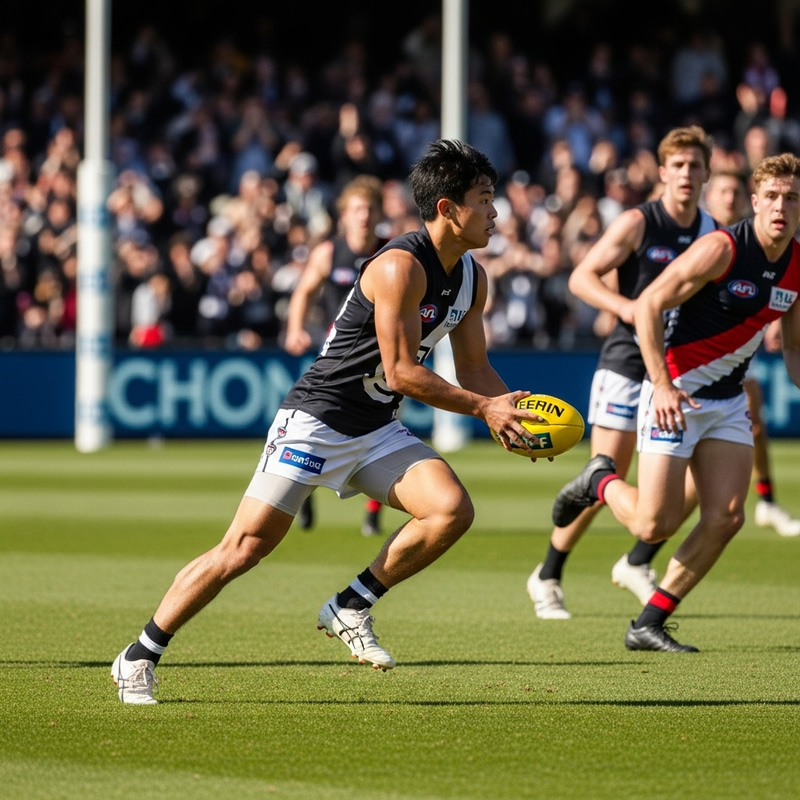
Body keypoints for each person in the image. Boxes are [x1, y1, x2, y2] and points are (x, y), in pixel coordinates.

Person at [111, 138, 547, 704]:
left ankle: (351, 604)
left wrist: (508, 409)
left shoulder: (472, 278)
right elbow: (402, 373)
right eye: (485, 199)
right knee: (244, 548)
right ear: (447, 208)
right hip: (316, 419)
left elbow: (475, 367)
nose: (495, 212)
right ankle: (139, 655)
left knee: (450, 510)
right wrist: (482, 408)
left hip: (375, 427)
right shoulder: (397, 267)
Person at [551, 152, 800, 651]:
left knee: (728, 516)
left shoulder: (797, 264)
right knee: (652, 522)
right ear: (755, 202)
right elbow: (647, 304)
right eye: (771, 196)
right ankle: (599, 479)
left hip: (728, 401)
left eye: (791, 198)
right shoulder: (722, 248)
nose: (781, 206)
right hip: (676, 394)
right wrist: (662, 384)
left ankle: (648, 622)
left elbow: (792, 346)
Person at [527, 126, 717, 619]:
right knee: (604, 477)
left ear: (706, 173)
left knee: (699, 473)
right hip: (628, 364)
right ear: (662, 172)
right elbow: (580, 277)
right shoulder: (639, 222)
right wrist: (628, 308)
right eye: (678, 165)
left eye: (695, 166)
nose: (686, 174)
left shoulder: (713, 232)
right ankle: (547, 574)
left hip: (680, 372)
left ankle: (636, 561)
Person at [283, 174, 390, 536]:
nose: (364, 215)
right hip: (335, 358)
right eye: (358, 208)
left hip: (379, 361)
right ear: (344, 214)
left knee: (381, 427)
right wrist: (295, 327)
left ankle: (373, 515)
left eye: (370, 208)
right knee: (317, 427)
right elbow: (303, 292)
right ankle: (304, 494)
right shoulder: (329, 252)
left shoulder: (391, 253)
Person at [702, 169, 800, 536]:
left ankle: (768, 501)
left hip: (739, 347)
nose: (729, 198)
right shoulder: (704, 238)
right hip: (692, 354)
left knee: (754, 425)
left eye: (734, 192)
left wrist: (774, 319)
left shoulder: (760, 242)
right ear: (708, 197)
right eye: (722, 191)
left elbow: (771, 285)